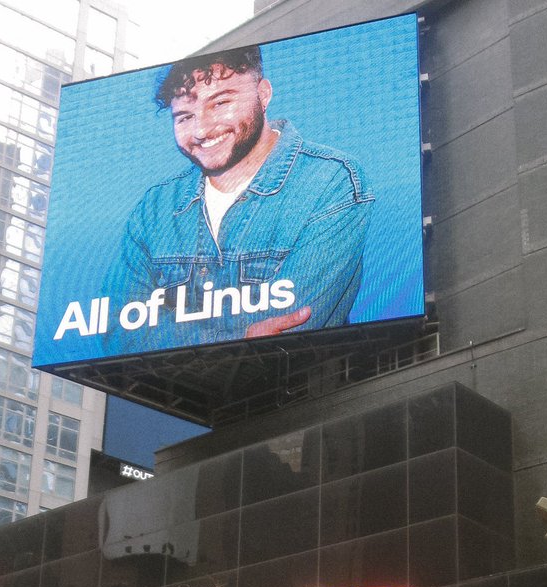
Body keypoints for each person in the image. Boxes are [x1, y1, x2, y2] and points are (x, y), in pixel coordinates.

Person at [99, 46, 374, 356]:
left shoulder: (330, 181)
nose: (202, 129)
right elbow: (115, 333)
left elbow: (289, 329)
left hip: (307, 397)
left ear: (264, 93)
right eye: (184, 116)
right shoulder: (155, 209)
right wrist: (240, 336)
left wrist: (177, 339)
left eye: (221, 102)